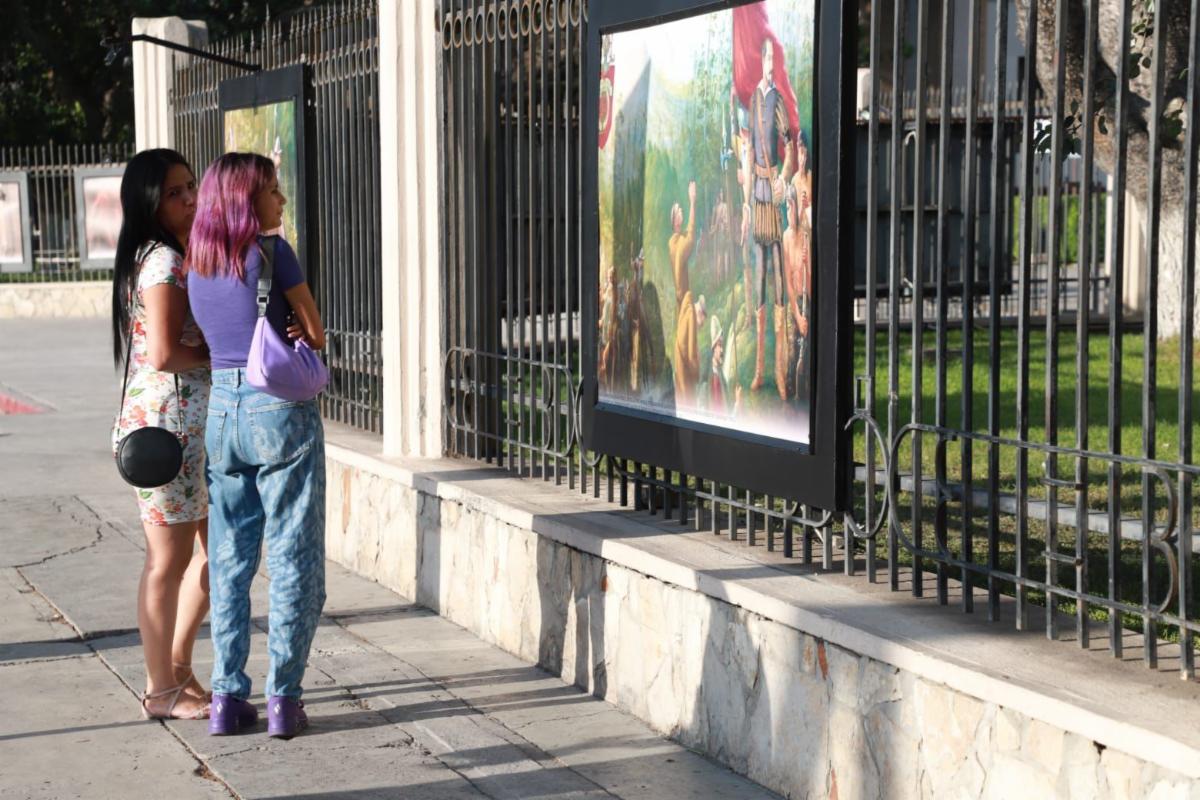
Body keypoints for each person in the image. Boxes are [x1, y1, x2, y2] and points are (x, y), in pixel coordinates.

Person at [185, 152, 328, 739]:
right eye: (272, 189)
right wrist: (298, 328)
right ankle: (284, 701)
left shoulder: (198, 264)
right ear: (246, 199)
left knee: (229, 558)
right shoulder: (272, 253)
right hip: (277, 409)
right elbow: (315, 334)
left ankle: (225, 697)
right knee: (294, 554)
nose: (281, 199)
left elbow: (212, 338)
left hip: (222, 411)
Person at [110, 149, 211, 721]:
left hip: (186, 431)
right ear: (149, 202)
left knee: (222, 556)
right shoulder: (163, 262)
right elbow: (166, 353)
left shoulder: (164, 256)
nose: (190, 199)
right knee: (167, 562)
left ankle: (177, 670)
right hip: (167, 435)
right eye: (175, 192)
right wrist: (222, 353)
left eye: (191, 186)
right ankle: (160, 688)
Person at [748, 36, 795, 393]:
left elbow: (789, 145)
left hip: (773, 196)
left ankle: (780, 372)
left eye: (771, 58)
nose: (768, 63)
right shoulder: (753, 100)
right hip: (757, 195)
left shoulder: (777, 99)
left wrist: (783, 177)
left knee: (779, 278)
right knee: (760, 278)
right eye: (765, 57)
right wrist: (746, 200)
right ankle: (760, 370)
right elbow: (750, 151)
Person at [669, 181, 698, 311]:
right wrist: (692, 201)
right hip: (683, 301)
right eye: (678, 210)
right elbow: (690, 238)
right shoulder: (675, 243)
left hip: (683, 299)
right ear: (675, 221)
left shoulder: (676, 240)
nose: (681, 210)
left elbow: (687, 235)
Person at [673, 292, 706, 406]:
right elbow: (691, 356)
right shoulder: (691, 316)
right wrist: (697, 374)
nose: (701, 326)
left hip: (681, 373)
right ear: (699, 313)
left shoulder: (686, 311)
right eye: (702, 323)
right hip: (685, 378)